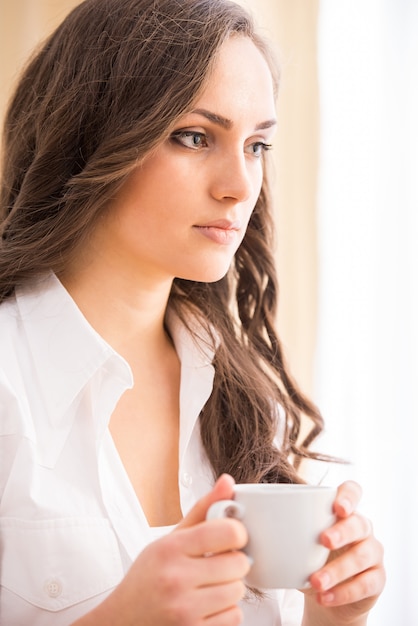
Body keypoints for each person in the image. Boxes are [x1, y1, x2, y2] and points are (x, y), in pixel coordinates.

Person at [0, 0, 385, 624]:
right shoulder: (9, 382)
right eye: (195, 137)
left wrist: (335, 614)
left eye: (257, 144)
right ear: (91, 138)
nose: (239, 184)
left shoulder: (242, 395)